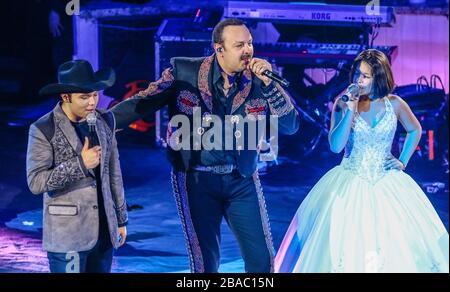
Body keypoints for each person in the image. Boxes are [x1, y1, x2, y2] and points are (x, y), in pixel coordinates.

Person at [111, 18, 300, 273]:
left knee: (261, 261)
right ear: (218, 49)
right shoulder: (184, 72)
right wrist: (102, 121)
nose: (248, 50)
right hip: (197, 180)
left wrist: (269, 85)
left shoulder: (259, 81)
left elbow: (291, 126)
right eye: (239, 45)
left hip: (241, 178)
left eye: (250, 43)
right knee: (205, 263)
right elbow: (143, 102)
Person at [274, 49, 449, 273]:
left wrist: (402, 160)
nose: (359, 80)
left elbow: (415, 130)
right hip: (350, 178)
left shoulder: (394, 104)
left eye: (365, 75)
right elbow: (336, 146)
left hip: (388, 181)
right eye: (357, 74)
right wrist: (349, 110)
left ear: (380, 76)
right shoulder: (342, 103)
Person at [26, 60, 128, 273]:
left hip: (103, 233)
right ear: (65, 97)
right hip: (68, 237)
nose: (92, 102)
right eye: (84, 97)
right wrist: (81, 164)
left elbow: (113, 174)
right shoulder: (44, 128)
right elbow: (36, 182)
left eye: (94, 95)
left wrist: (120, 219)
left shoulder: (105, 120)